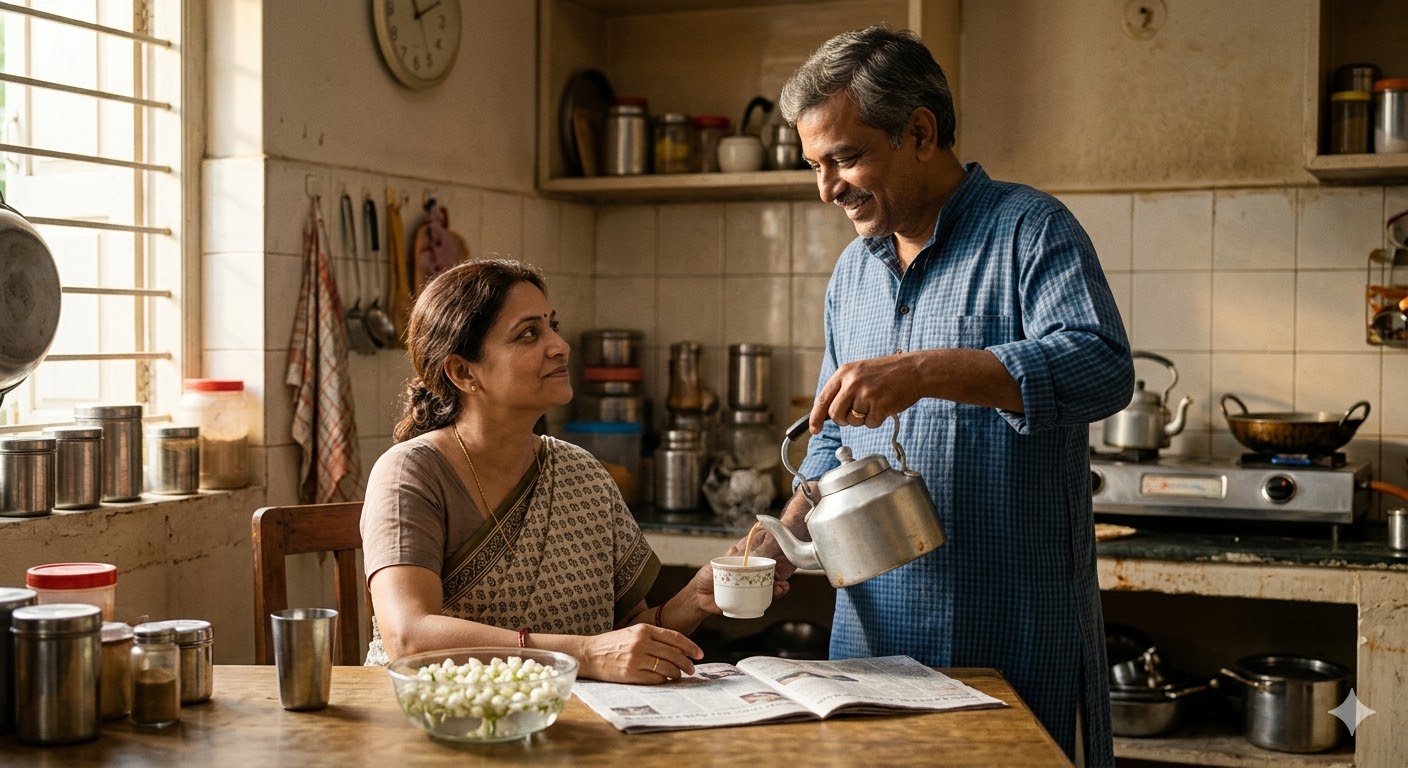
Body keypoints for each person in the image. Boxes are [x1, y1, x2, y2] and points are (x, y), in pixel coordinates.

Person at [743, 25, 1134, 765]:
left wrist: (922, 372)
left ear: (919, 132)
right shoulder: (852, 275)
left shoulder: (1031, 230)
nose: (828, 190)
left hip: (1011, 633)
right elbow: (830, 438)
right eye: (815, 167)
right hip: (873, 645)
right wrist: (787, 536)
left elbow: (1102, 367)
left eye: (846, 159)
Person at [360, 258, 781, 682]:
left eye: (552, 325)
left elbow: (622, 639)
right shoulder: (411, 474)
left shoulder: (583, 473)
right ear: (463, 371)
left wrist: (695, 598)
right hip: (434, 721)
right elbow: (409, 637)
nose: (560, 346)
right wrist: (581, 653)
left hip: (571, 719)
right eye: (528, 333)